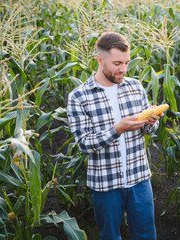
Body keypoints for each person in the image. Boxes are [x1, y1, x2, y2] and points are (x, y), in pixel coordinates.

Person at [67, 32, 160, 240]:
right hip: (105, 183)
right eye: (117, 63)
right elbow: (84, 144)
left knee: (146, 234)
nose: (123, 69)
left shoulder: (135, 87)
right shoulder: (79, 97)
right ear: (100, 60)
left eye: (126, 62)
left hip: (139, 178)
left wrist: (152, 122)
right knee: (110, 236)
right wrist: (117, 129)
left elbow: (148, 131)